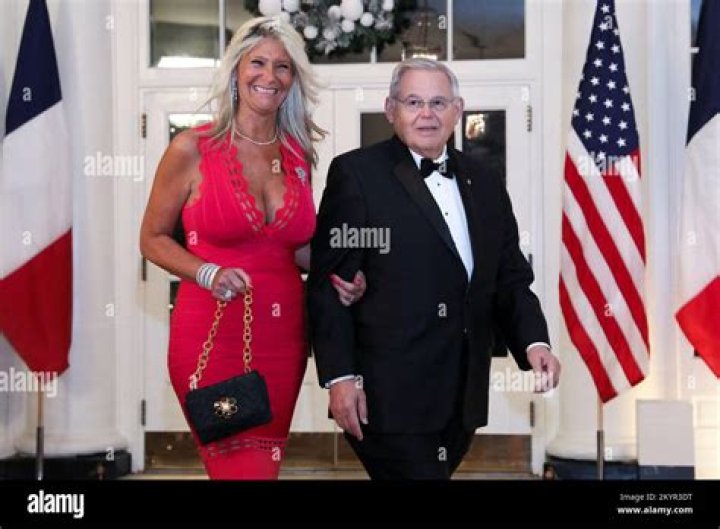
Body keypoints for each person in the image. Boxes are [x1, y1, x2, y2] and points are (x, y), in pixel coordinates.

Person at [308, 58, 561, 480]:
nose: (427, 114)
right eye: (413, 102)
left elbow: (509, 278)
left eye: (438, 102)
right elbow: (329, 287)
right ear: (391, 110)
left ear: (457, 110)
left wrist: (534, 342)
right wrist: (340, 377)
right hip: (388, 395)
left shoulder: (485, 179)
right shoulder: (357, 175)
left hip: (463, 397)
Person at [139, 16, 365, 480]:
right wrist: (208, 272)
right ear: (236, 72)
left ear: (293, 79)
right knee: (242, 470)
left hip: (283, 338)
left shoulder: (297, 154)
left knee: (264, 463)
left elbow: (290, 248)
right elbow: (152, 239)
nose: (270, 76)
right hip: (211, 333)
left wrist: (339, 273)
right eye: (258, 63)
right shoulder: (193, 147)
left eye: (283, 67)